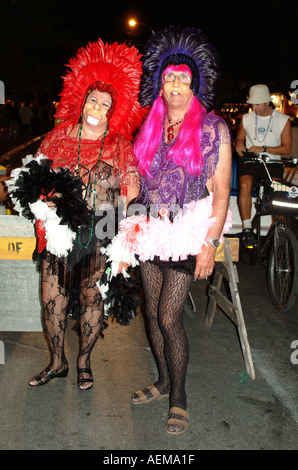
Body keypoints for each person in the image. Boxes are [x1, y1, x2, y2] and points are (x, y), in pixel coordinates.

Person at [109, 26, 232, 434]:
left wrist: (210, 244)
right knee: (151, 312)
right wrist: (127, 231)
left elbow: (219, 195)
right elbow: (139, 185)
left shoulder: (214, 129)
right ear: (160, 85)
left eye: (182, 77)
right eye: (168, 77)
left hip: (186, 232)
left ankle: (179, 396)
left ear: (194, 84)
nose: (175, 84)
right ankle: (162, 381)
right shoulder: (150, 126)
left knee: (168, 316)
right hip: (151, 229)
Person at [8, 38, 145, 389]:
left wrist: (126, 239)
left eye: (105, 104)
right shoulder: (56, 138)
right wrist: (44, 200)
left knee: (91, 296)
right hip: (60, 230)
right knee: (51, 297)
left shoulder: (118, 145)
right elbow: (32, 180)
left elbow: (132, 192)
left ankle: (84, 362)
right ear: (81, 100)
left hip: (102, 229)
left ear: (114, 111)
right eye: (93, 100)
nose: (97, 108)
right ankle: (58, 362)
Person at [235, 84, 292, 247]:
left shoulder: (283, 120)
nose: (254, 107)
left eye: (257, 104)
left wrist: (264, 148)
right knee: (245, 183)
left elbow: (287, 148)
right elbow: (240, 138)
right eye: (252, 104)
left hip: (272, 161)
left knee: (275, 189)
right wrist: (239, 144)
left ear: (267, 102)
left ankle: (279, 229)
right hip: (251, 160)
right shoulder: (247, 119)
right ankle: (247, 228)